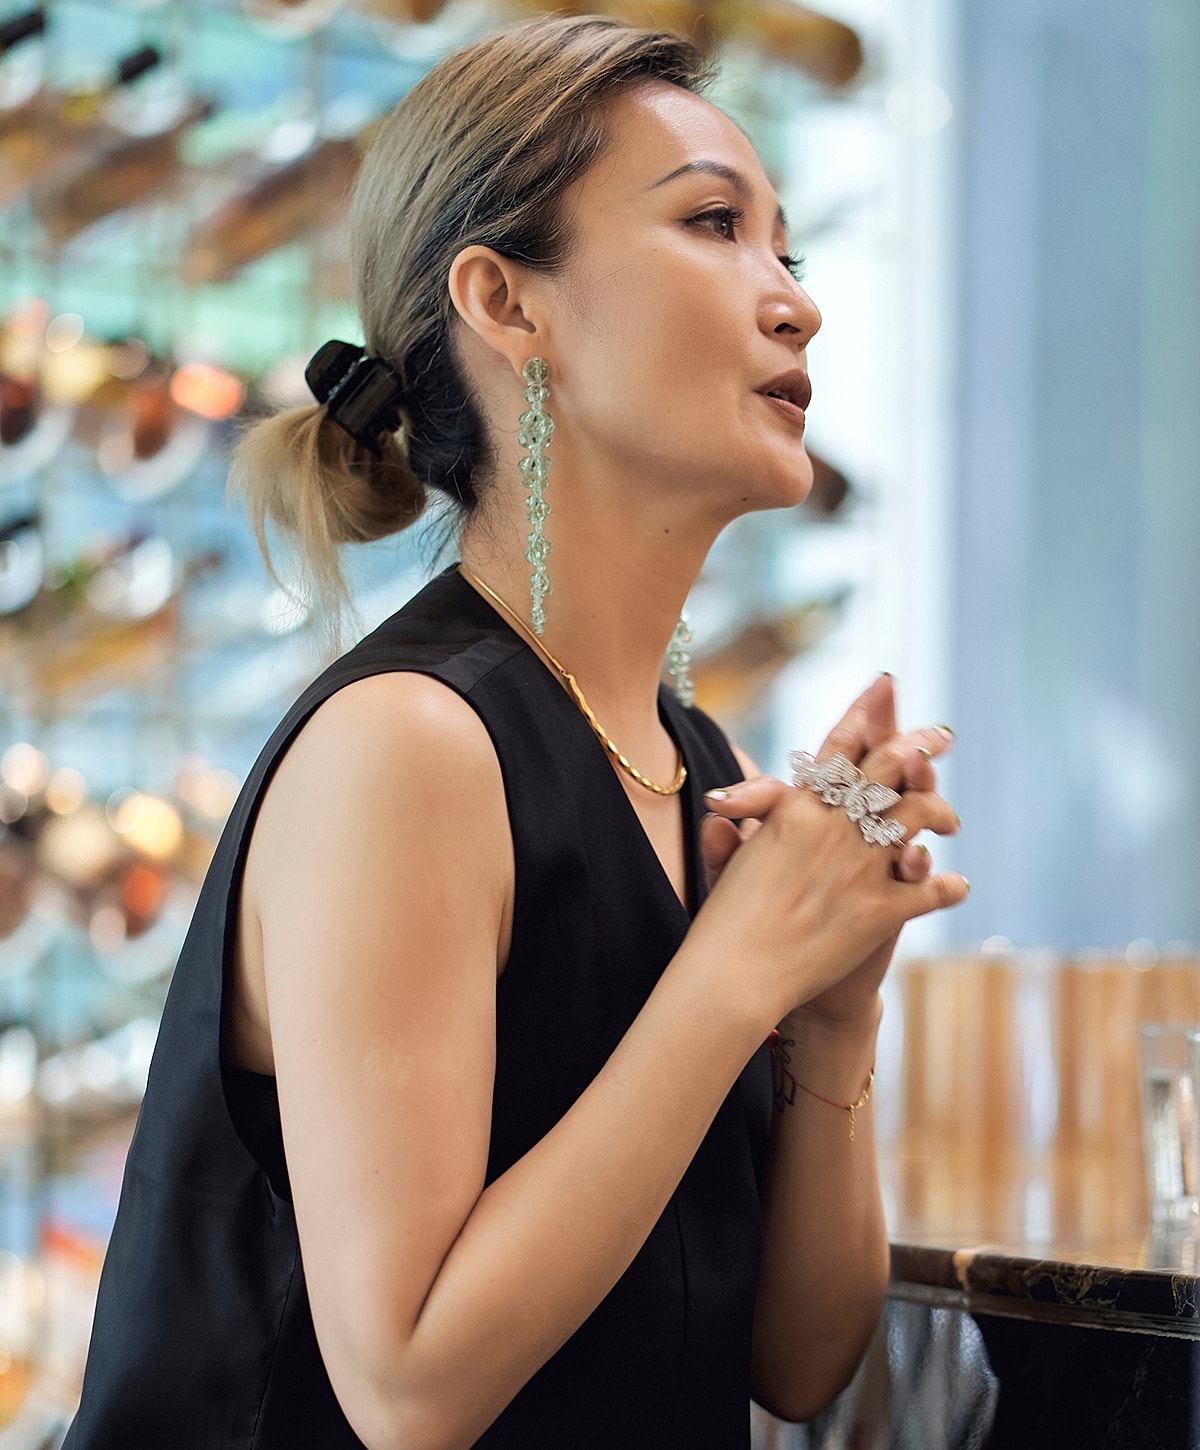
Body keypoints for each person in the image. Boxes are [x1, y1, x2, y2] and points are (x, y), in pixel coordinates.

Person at [63, 15, 968, 1449]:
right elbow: (410, 1385)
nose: (795, 302)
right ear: (507, 300)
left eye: (786, 249)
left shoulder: (700, 768)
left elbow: (797, 1364)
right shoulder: (408, 747)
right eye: (716, 225)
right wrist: (734, 974)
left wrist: (832, 1009)